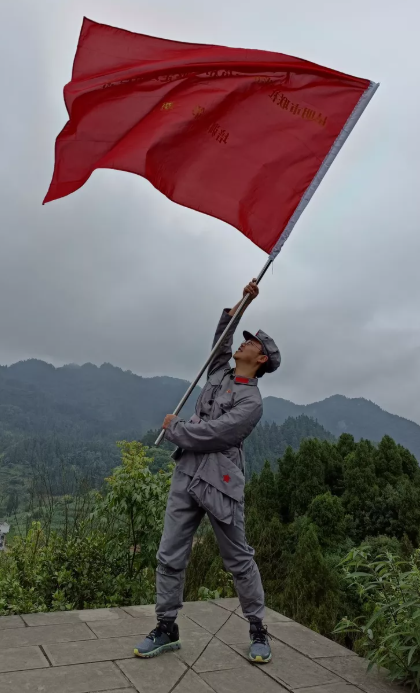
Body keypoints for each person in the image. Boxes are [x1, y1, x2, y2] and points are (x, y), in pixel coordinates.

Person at [134, 279, 281, 663]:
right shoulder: (219, 373)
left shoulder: (252, 402)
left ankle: (257, 629)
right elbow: (223, 336)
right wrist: (243, 303)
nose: (243, 344)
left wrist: (175, 429)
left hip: (222, 480)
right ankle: (166, 627)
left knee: (238, 557)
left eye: (252, 343)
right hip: (188, 471)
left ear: (261, 359)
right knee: (169, 554)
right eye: (245, 340)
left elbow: (218, 433)